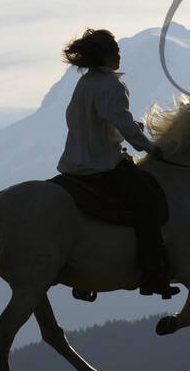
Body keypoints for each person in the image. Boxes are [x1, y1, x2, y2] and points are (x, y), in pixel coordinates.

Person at [57, 28, 179, 300]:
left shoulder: (85, 84)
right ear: (108, 55)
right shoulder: (111, 85)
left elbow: (101, 121)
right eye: (117, 51)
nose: (120, 55)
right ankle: (153, 275)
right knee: (151, 204)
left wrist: (127, 126)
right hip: (104, 165)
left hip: (73, 166)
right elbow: (122, 125)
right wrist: (151, 147)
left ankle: (83, 276)